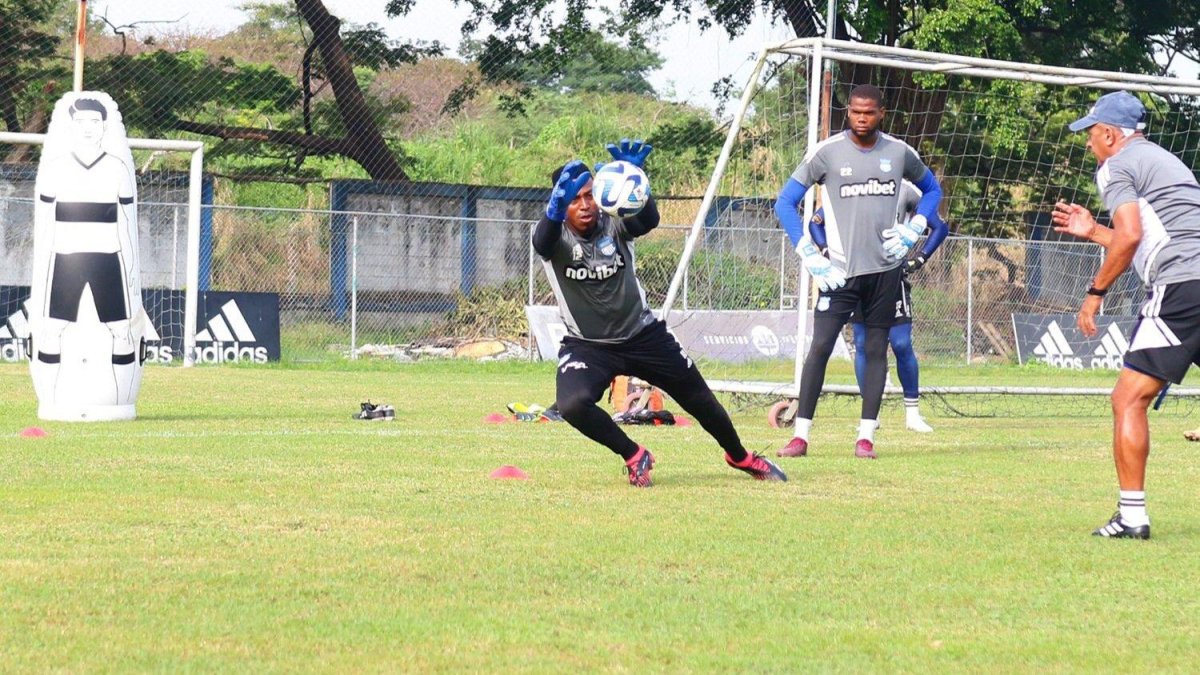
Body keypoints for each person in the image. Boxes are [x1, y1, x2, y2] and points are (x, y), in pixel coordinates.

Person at [533, 139, 787, 487]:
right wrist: (551, 212)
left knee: (700, 400)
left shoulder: (614, 221)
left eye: (589, 195)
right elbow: (541, 244)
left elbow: (649, 219)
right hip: (587, 345)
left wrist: (638, 178)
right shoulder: (552, 235)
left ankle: (740, 457)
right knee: (573, 404)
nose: (585, 205)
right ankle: (634, 454)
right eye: (574, 199)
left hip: (643, 335)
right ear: (561, 204)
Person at [1051, 90, 1200, 539]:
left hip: (1181, 286)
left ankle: (1132, 517)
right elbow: (1154, 233)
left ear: (1111, 134)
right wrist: (1096, 231)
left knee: (1127, 398)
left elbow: (1133, 235)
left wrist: (1095, 292)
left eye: (1092, 134)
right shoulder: (1167, 162)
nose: (1089, 143)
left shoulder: (1115, 165)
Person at [773, 83, 943, 459]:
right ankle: (801, 436)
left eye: (868, 112)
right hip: (838, 272)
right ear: (847, 112)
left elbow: (933, 191)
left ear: (881, 114)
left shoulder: (899, 152)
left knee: (877, 348)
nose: (861, 118)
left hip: (886, 271)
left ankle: (866, 437)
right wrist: (808, 251)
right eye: (854, 111)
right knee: (819, 348)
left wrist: (916, 226)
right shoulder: (826, 153)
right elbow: (785, 203)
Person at [808, 180, 948, 433]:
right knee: (863, 343)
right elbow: (816, 223)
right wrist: (828, 251)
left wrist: (919, 259)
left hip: (891, 276)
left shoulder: (906, 189)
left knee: (901, 343)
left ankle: (912, 414)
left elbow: (939, 226)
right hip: (856, 276)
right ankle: (871, 413)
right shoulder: (854, 184)